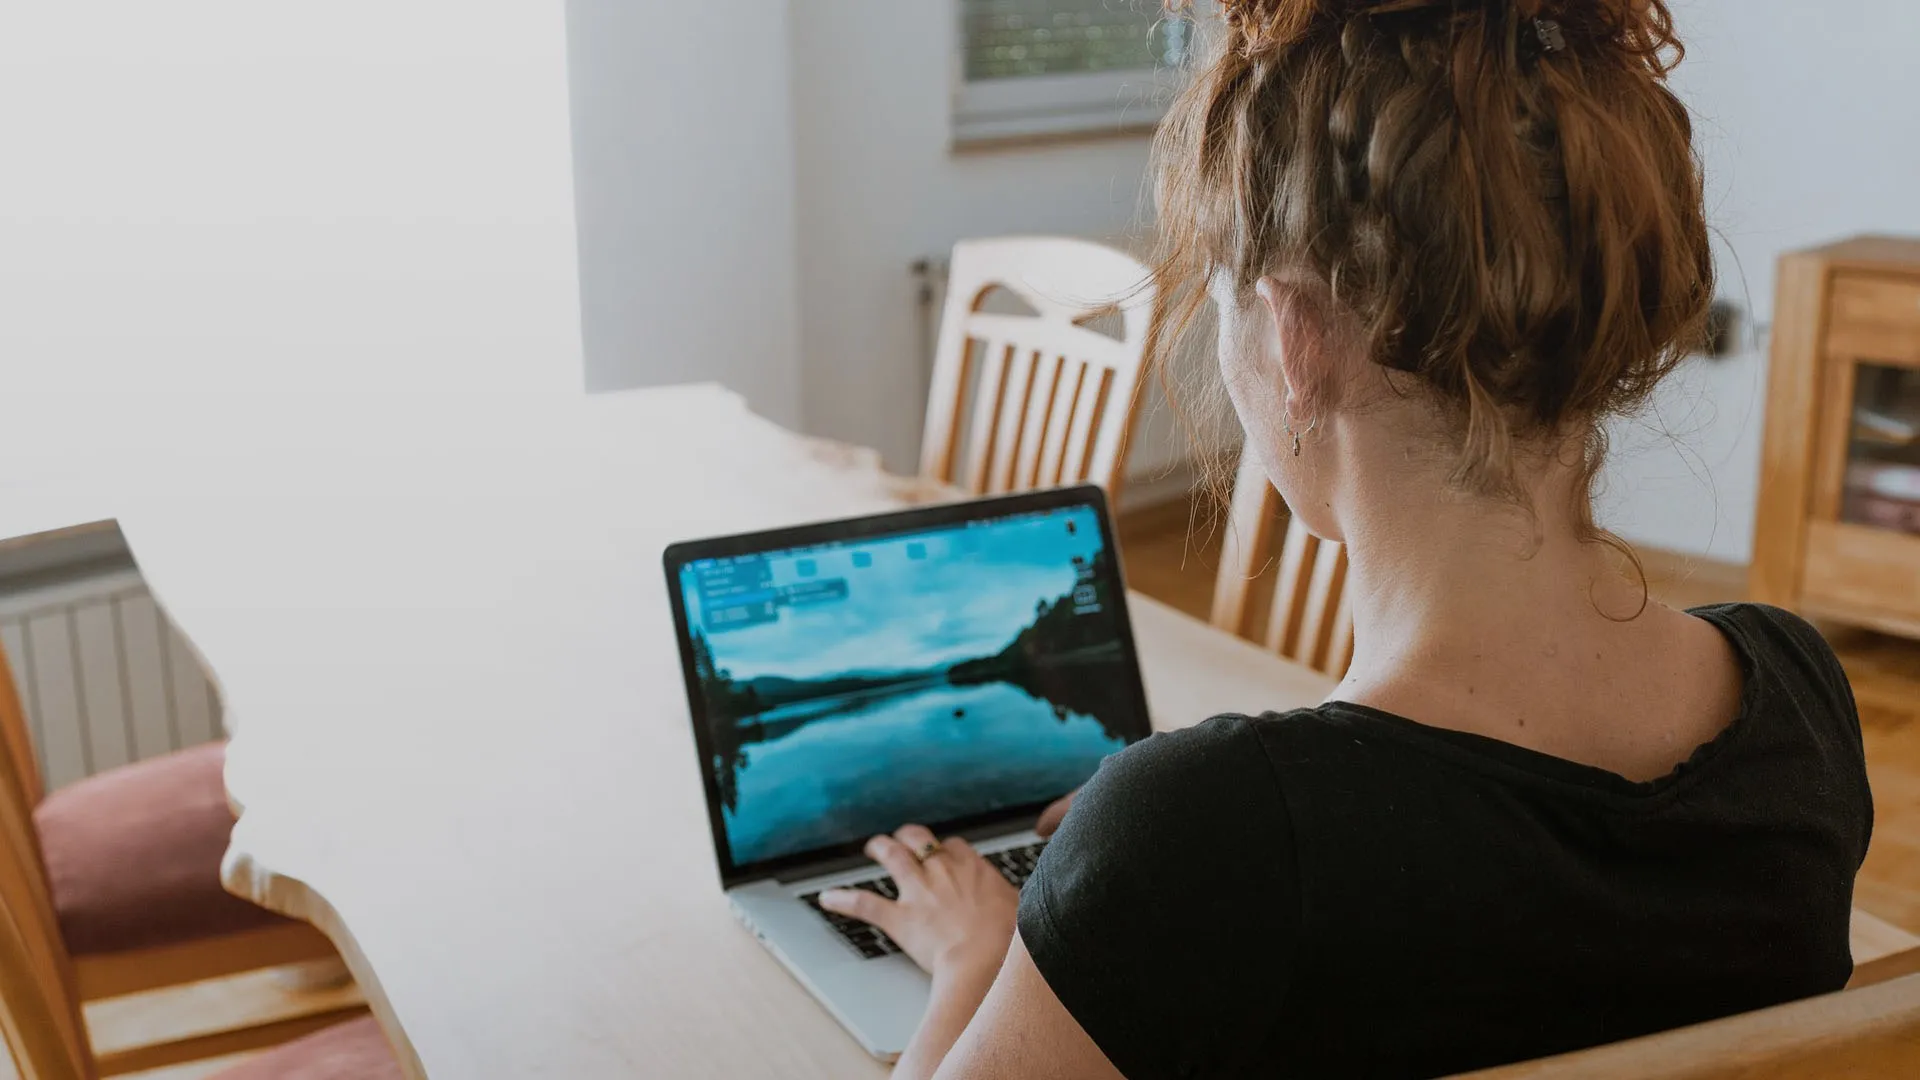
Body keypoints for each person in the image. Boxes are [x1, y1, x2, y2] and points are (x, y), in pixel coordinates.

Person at [816, 1, 1871, 1076]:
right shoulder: (1800, 700)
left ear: (1295, 338)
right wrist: (1150, 854)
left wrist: (981, 955)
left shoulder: (1208, 840)